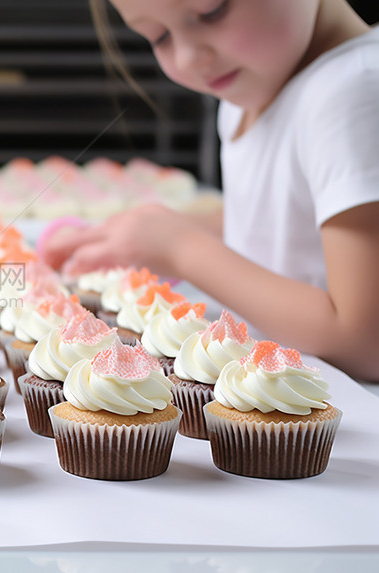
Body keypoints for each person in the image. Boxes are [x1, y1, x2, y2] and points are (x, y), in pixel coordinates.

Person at [42, 0, 379, 381]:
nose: (186, 58)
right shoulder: (255, 92)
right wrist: (152, 231)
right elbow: (284, 218)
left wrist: (180, 248)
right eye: (160, 36)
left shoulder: (351, 91)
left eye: (212, 11)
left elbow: (365, 342)